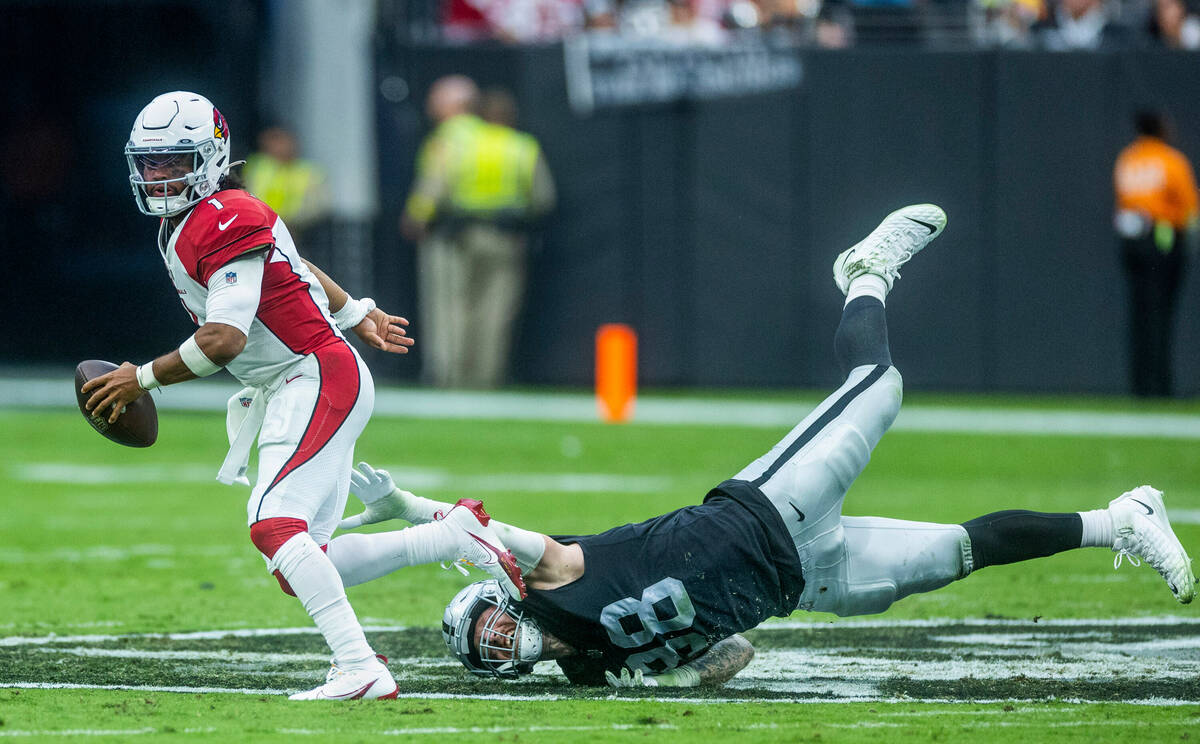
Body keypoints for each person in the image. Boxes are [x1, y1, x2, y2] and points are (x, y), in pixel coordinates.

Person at [340, 204, 1196, 687]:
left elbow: (479, 529)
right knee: (956, 554)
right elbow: (728, 656)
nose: (500, 642)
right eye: (489, 650)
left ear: (505, 600)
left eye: (488, 625)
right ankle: (1118, 519)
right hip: (801, 583)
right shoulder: (592, 676)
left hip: (763, 514)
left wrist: (399, 507)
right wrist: (683, 660)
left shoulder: (552, 576)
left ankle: (866, 272)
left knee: (880, 389)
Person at [81, 91, 526, 701]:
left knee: (271, 524)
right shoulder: (193, 221)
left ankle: (360, 667)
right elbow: (297, 263)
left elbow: (225, 339)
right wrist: (356, 310)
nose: (160, 176)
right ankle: (447, 536)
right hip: (303, 376)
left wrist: (143, 378)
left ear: (211, 156)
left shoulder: (222, 214)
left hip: (309, 376)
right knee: (300, 558)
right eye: (150, 162)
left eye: (175, 160)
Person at [401, 75, 556, 389]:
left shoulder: (454, 139)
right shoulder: (521, 146)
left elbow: (435, 184)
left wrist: (416, 217)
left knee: (451, 307)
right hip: (506, 236)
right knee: (496, 311)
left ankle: (449, 377)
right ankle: (486, 379)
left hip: (457, 235)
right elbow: (543, 199)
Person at [1113, 110, 1199, 397]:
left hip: (1133, 241)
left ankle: (1140, 384)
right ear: (1161, 129)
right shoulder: (1169, 160)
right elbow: (1190, 207)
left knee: (1140, 313)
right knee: (1160, 313)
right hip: (1163, 238)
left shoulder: (1127, 159)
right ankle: (1160, 386)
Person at [243, 125, 331, 249]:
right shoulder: (257, 167)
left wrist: (290, 223)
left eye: (279, 140)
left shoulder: (309, 171)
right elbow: (246, 197)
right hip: (261, 232)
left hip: (300, 235)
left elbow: (317, 207)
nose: (276, 146)